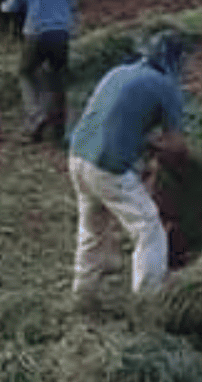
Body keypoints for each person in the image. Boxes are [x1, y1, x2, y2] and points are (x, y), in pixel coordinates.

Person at [68, 30, 188, 299]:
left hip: (77, 154)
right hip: (105, 164)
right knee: (149, 228)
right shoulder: (165, 87)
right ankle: (148, 298)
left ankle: (83, 294)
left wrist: (142, 144)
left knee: (92, 228)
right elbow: (177, 145)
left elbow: (114, 116)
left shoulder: (119, 72)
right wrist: (158, 149)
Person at [1, 0, 77, 143]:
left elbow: (14, 3)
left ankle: (37, 117)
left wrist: (2, 7)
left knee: (26, 72)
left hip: (36, 31)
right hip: (62, 32)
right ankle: (59, 131)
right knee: (58, 79)